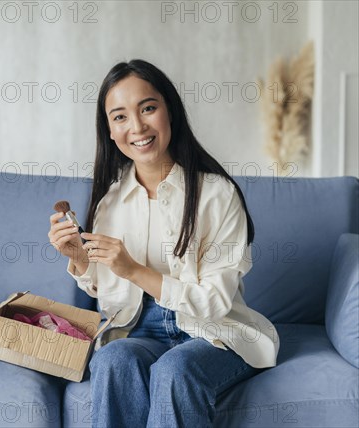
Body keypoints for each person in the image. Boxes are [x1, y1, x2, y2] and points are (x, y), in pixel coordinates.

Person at [48, 59, 279, 428]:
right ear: (109, 130)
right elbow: (110, 297)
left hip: (214, 333)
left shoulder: (216, 195)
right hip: (139, 329)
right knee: (111, 360)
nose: (137, 127)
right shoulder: (110, 202)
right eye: (120, 117)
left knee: (176, 368)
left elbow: (216, 302)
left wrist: (135, 271)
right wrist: (79, 260)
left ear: (169, 110)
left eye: (148, 108)